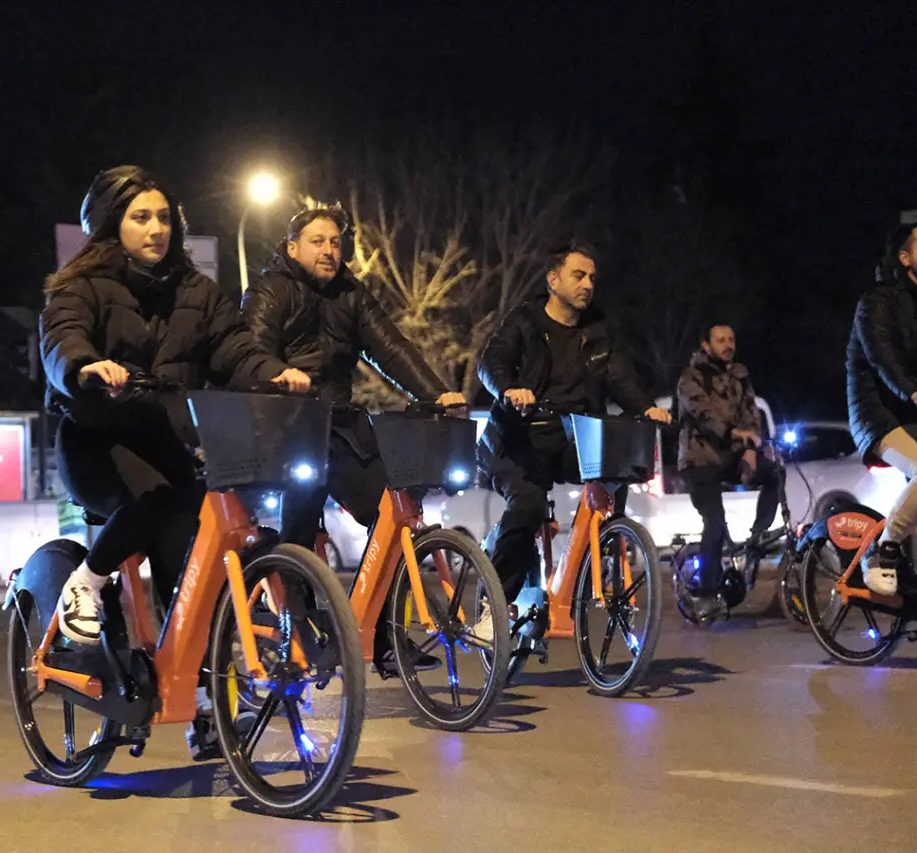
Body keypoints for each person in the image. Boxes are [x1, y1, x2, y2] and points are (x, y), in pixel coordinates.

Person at [39, 166, 310, 757]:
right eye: (141, 217)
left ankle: (204, 705)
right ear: (111, 223)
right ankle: (86, 583)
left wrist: (274, 373)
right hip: (96, 439)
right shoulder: (80, 286)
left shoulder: (196, 291)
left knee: (188, 570)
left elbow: (235, 347)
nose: (156, 228)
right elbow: (63, 336)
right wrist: (85, 367)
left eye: (164, 217)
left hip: (164, 441)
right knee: (155, 500)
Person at [241, 206, 468, 674]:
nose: (329, 250)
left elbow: (392, 347)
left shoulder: (351, 293)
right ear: (292, 248)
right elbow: (252, 350)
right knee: (298, 524)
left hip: (341, 427)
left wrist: (436, 393)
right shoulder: (270, 290)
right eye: (318, 241)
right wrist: (278, 375)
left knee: (389, 516)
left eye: (335, 242)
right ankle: (298, 624)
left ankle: (383, 637)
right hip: (288, 424)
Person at [477, 242, 671, 603]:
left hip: (570, 440)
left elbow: (621, 378)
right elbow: (491, 362)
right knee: (529, 506)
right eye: (578, 276)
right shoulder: (525, 321)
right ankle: (496, 604)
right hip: (516, 440)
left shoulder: (598, 330)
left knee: (616, 471)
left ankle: (597, 558)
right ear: (553, 280)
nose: (588, 284)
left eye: (592, 278)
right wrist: (509, 390)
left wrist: (646, 408)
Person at [676, 323, 781, 608]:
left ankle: (757, 537)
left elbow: (751, 415)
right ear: (706, 346)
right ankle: (707, 594)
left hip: (731, 457)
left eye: (731, 339)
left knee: (775, 473)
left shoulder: (740, 375)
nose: (728, 345)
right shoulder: (691, 377)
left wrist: (750, 450)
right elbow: (702, 414)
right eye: (720, 340)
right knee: (714, 521)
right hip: (699, 459)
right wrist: (735, 434)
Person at [848, 223, 917, 596]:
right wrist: (913, 391)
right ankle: (884, 549)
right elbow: (882, 355)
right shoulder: (877, 301)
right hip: (878, 414)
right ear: (905, 258)